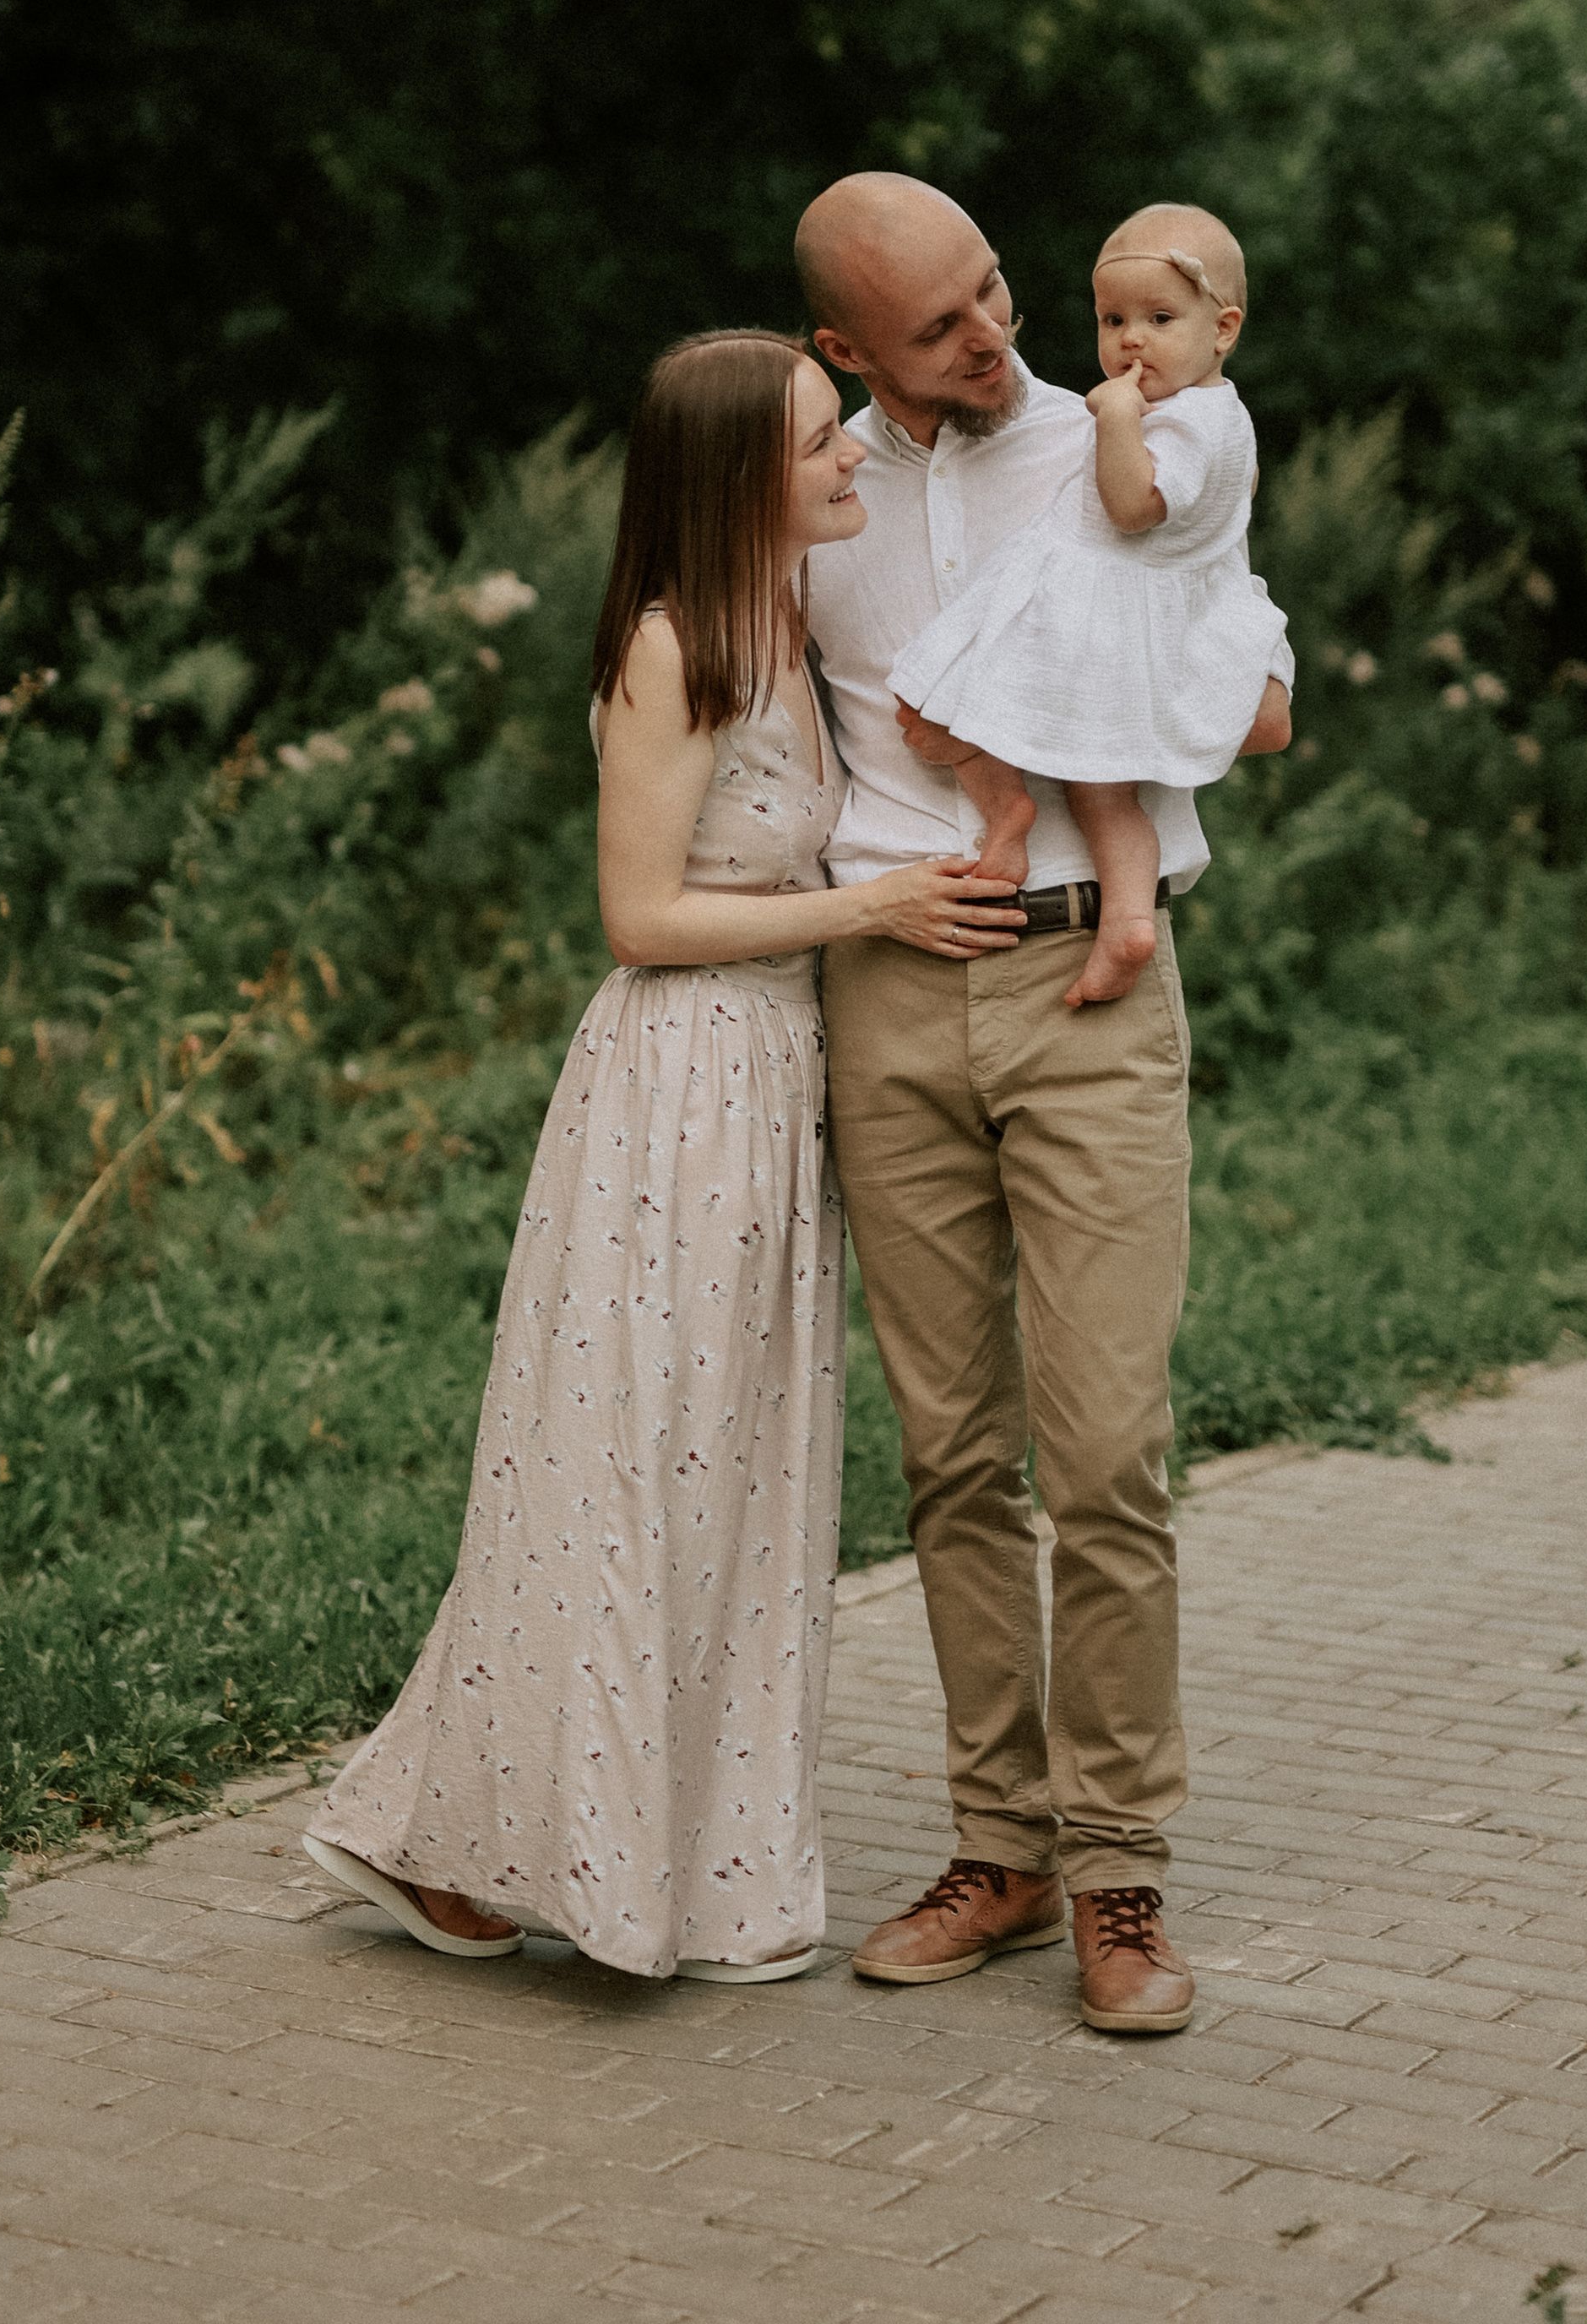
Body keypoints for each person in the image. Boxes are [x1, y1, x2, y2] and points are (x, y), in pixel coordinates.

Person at [305, 329, 1022, 1984]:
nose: (850, 452)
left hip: (775, 1080)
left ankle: (687, 1869)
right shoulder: (671, 644)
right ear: (736, 477)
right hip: (680, 1089)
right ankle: (495, 1843)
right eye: (816, 439)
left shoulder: (788, 622)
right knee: (637, 1469)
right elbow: (637, 917)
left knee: (741, 1482)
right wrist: (872, 907)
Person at [795, 174, 1291, 2036]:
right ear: (848, 347)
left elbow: (1263, 683)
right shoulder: (810, 494)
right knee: (949, 1457)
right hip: (887, 995)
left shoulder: (1123, 438)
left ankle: (1116, 1872)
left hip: (1090, 981)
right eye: (940, 327)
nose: (994, 336)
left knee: (1104, 1454)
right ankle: (996, 1852)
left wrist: (1167, 692)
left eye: (996, 289)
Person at [889, 203, 1288, 1007]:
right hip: (1125, 609)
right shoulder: (1218, 418)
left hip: (1100, 614)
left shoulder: (1189, 423)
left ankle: (1008, 813)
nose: (1130, 340)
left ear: (1224, 330)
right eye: (1113, 320)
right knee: (1101, 796)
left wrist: (1116, 418)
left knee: (930, 705)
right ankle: (1128, 922)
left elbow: (1131, 507)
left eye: (1159, 319)